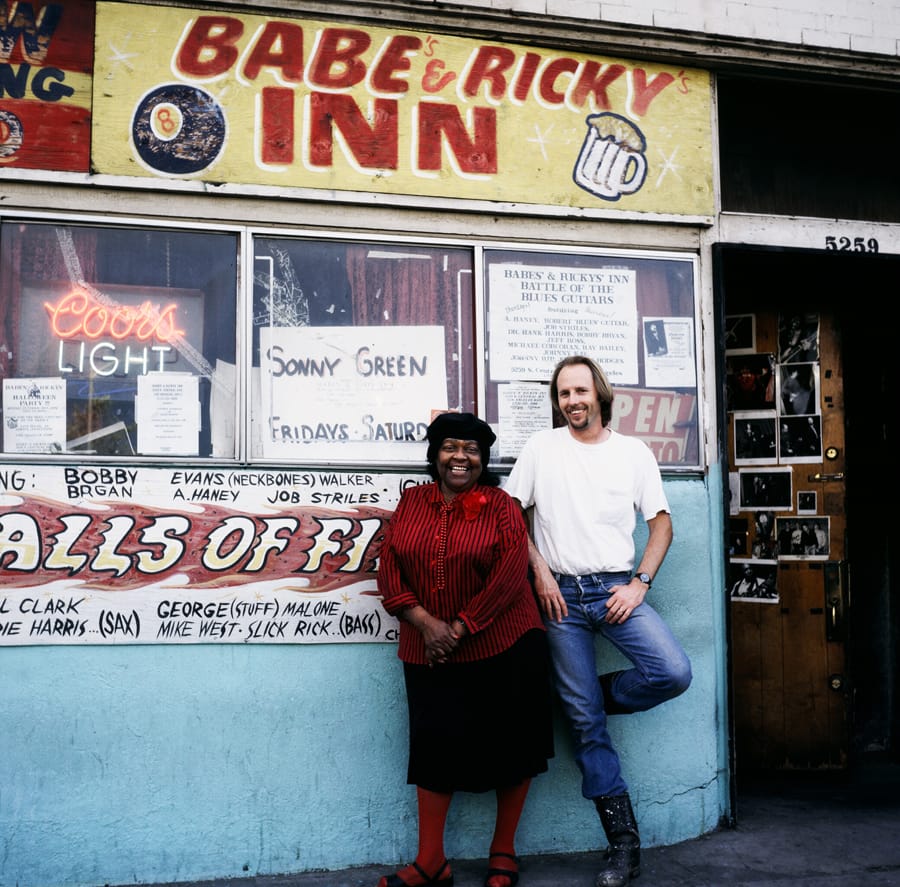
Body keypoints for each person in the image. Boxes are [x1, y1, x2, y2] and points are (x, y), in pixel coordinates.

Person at [504, 355, 692, 887]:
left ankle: (586, 698)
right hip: (560, 599)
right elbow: (511, 515)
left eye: (580, 391)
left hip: (614, 590)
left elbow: (661, 525)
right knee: (587, 727)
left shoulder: (633, 452)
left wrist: (639, 584)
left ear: (599, 394)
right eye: (564, 393)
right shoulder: (541, 449)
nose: (572, 401)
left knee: (672, 672)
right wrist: (540, 572)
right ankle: (624, 845)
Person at [377, 412, 554, 887]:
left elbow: (509, 575)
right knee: (434, 749)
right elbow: (389, 566)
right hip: (428, 648)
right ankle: (431, 861)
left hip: (506, 643)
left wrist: (457, 628)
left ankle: (504, 852)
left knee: (512, 747)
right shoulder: (412, 501)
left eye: (472, 450)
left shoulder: (501, 506)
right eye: (451, 447)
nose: (461, 457)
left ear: (483, 459)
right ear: (434, 455)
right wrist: (425, 624)